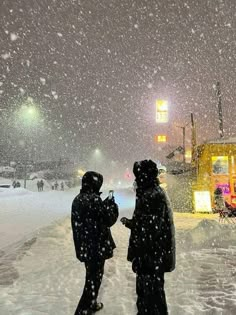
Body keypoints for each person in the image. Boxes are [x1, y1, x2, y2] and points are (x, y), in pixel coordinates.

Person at [121, 160, 175, 315]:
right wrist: (132, 223)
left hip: (151, 257)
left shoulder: (152, 195)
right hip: (152, 256)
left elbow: (150, 231)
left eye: (138, 176)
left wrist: (141, 257)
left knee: (150, 297)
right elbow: (148, 224)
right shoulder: (150, 192)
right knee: (150, 296)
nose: (136, 179)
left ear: (144, 176)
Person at [71, 171, 119, 315]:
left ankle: (91, 304)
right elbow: (108, 219)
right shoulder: (94, 200)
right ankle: (83, 310)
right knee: (93, 280)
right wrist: (112, 206)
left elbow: (92, 216)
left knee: (91, 277)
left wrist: (103, 204)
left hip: (85, 246)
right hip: (96, 247)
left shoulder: (78, 199)